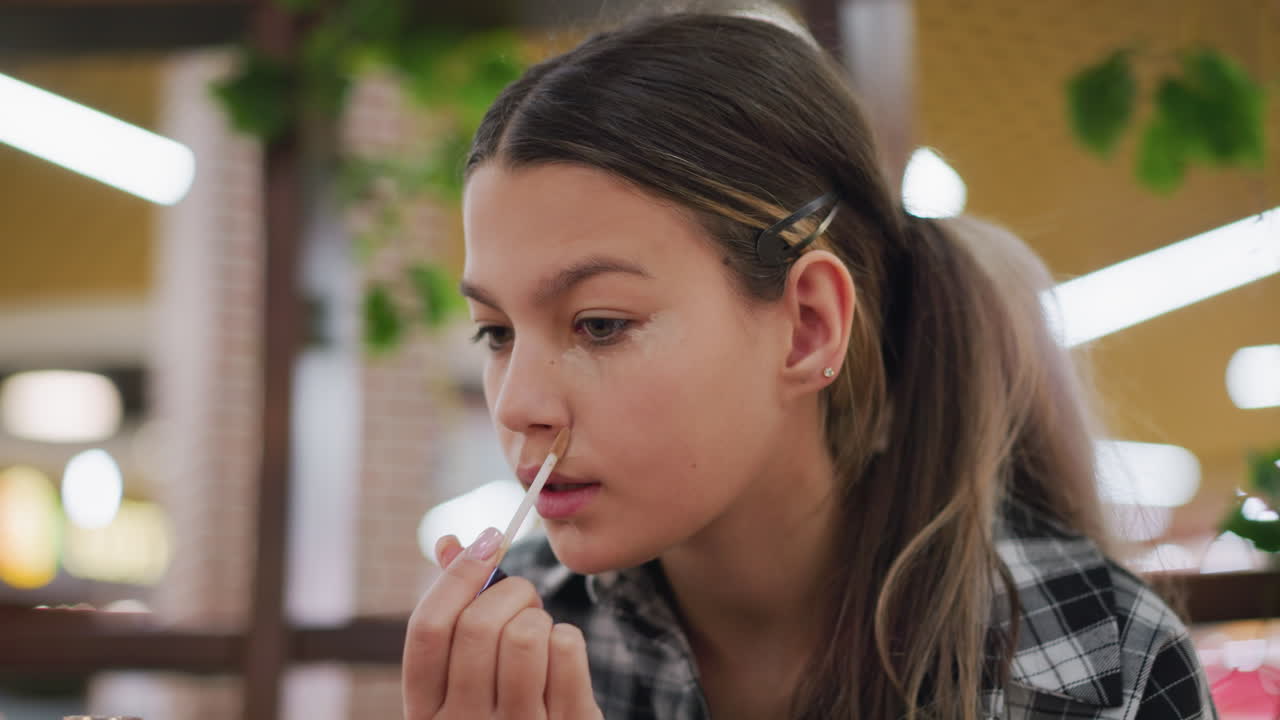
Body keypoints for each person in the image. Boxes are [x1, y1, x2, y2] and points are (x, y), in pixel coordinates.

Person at [401, 10, 1218, 720]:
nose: (517, 405)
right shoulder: (522, 639)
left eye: (600, 324)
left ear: (808, 327)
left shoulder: (1095, 663)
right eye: (495, 333)